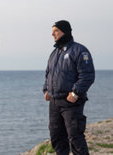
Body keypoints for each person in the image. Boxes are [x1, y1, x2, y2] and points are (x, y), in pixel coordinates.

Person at [43, 20, 95, 155]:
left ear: (65, 31)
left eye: (56, 31)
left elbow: (87, 75)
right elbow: (48, 73)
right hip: (54, 103)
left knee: (75, 138)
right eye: (52, 31)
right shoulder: (54, 53)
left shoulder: (79, 50)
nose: (52, 34)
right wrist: (46, 89)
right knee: (57, 138)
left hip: (71, 103)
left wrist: (76, 93)